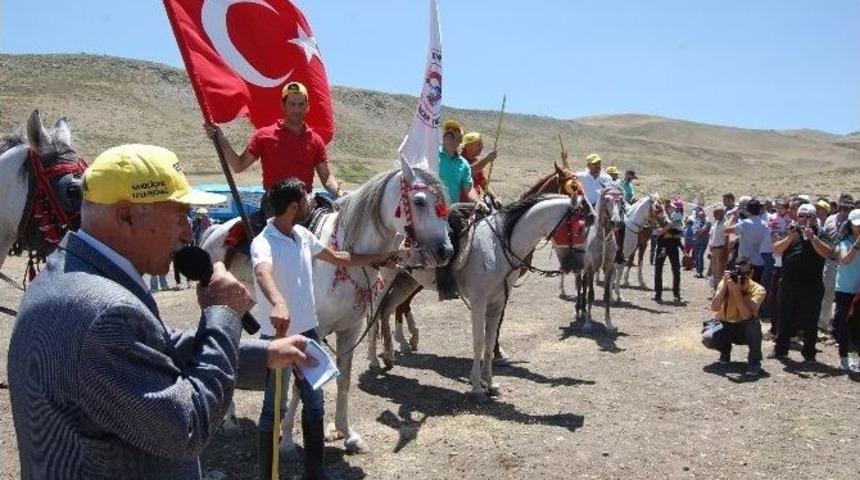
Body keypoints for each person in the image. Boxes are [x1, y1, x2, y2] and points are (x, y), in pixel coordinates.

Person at [8, 144, 312, 479]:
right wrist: (224, 314)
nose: (188, 232)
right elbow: (186, 428)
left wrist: (264, 355)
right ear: (125, 215)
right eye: (180, 216)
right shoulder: (103, 311)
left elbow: (154, 344)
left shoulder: (71, 272)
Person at [251, 178, 398, 480]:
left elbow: (340, 257)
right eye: (306, 199)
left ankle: (315, 472)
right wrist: (278, 301)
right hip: (277, 337)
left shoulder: (303, 235)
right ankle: (266, 474)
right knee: (273, 408)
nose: (311, 202)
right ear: (294, 206)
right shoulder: (263, 241)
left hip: (307, 335)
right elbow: (262, 272)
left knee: (315, 405)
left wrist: (380, 258)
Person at [204, 81, 342, 215]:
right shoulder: (263, 136)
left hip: (304, 204)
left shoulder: (316, 140)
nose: (296, 109)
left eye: (301, 104)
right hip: (274, 204)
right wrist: (220, 139)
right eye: (292, 104)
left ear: (307, 106)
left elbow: (326, 178)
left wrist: (340, 193)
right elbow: (238, 165)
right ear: (283, 105)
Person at [768, 203, 834, 363]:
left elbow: (828, 253)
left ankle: (809, 353)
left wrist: (813, 238)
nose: (804, 219)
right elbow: (776, 249)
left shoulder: (821, 233)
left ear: (814, 217)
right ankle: (780, 349)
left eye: (808, 216)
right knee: (785, 317)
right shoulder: (790, 231)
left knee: (811, 320)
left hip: (812, 284)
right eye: (801, 216)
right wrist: (790, 236)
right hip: (789, 283)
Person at [436, 120, 485, 301]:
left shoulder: (463, 164)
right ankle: (445, 285)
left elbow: (468, 189)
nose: (450, 133)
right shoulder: (432, 155)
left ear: (459, 140)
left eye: (454, 132)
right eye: (447, 131)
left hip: (452, 209)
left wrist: (478, 201)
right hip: (432, 208)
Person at [701, 257, 767, 376]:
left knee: (754, 325)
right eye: (738, 272)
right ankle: (725, 351)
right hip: (726, 324)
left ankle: (754, 361)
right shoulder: (726, 282)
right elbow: (714, 307)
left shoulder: (758, 289)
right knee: (708, 338)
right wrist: (725, 286)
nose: (740, 277)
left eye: (745, 273)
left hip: (744, 328)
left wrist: (736, 291)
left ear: (751, 273)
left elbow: (746, 315)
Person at [819, 194, 855, 333]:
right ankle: (823, 323)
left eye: (848, 208)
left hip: (847, 264)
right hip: (831, 261)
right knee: (827, 294)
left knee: (842, 298)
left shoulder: (853, 222)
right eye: (842, 208)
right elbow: (824, 237)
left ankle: (839, 326)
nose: (844, 211)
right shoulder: (830, 219)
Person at [833, 209, 860, 372]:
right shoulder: (844, 242)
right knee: (844, 323)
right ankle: (843, 356)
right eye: (857, 225)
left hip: (859, 290)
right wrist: (856, 245)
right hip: (845, 288)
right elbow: (845, 260)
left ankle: (856, 356)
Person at [725, 199, 768, 283]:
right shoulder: (764, 224)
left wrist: (732, 218)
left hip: (745, 262)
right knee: (755, 287)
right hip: (759, 261)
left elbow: (726, 230)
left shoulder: (745, 223)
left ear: (747, 210)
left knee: (742, 287)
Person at [653, 199, 684, 303]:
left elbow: (681, 234)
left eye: (669, 207)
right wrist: (668, 226)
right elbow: (658, 232)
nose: (668, 209)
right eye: (666, 207)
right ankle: (658, 294)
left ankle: (676, 293)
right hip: (662, 246)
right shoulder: (659, 220)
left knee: (676, 270)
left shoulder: (677, 219)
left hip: (673, 247)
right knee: (658, 270)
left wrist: (671, 234)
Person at [459, 131, 497, 198]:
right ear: (468, 146)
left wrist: (494, 197)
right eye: (479, 145)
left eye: (481, 144)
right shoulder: (459, 160)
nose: (482, 147)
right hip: (463, 201)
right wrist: (487, 159)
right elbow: (469, 170)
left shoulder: (476, 161)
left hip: (477, 199)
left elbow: (483, 183)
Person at [708, 205, 728, 294]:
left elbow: (726, 239)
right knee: (714, 272)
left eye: (716, 213)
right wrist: (710, 249)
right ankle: (715, 289)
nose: (714, 215)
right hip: (714, 249)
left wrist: (725, 251)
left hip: (721, 249)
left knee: (720, 272)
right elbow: (712, 237)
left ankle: (720, 292)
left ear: (722, 214)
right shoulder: (715, 224)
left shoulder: (725, 224)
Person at [691, 208, 711, 278]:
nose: (700, 217)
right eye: (699, 216)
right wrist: (697, 232)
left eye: (701, 216)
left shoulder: (707, 222)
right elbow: (694, 230)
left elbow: (703, 230)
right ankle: (697, 271)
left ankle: (700, 272)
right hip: (696, 241)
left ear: (704, 216)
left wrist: (697, 233)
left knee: (700, 256)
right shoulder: (697, 222)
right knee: (696, 256)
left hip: (703, 241)